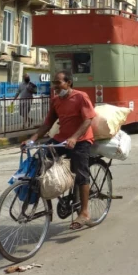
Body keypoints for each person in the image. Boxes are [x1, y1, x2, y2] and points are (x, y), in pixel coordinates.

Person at [25, 70, 97, 231]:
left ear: (69, 82)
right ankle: (48, 196)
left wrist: (74, 138)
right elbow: (47, 124)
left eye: (58, 83)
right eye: (54, 83)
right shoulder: (56, 100)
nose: (55, 86)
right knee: (39, 159)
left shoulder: (81, 97)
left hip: (81, 140)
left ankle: (84, 213)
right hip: (60, 139)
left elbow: (87, 121)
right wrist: (32, 139)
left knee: (81, 174)